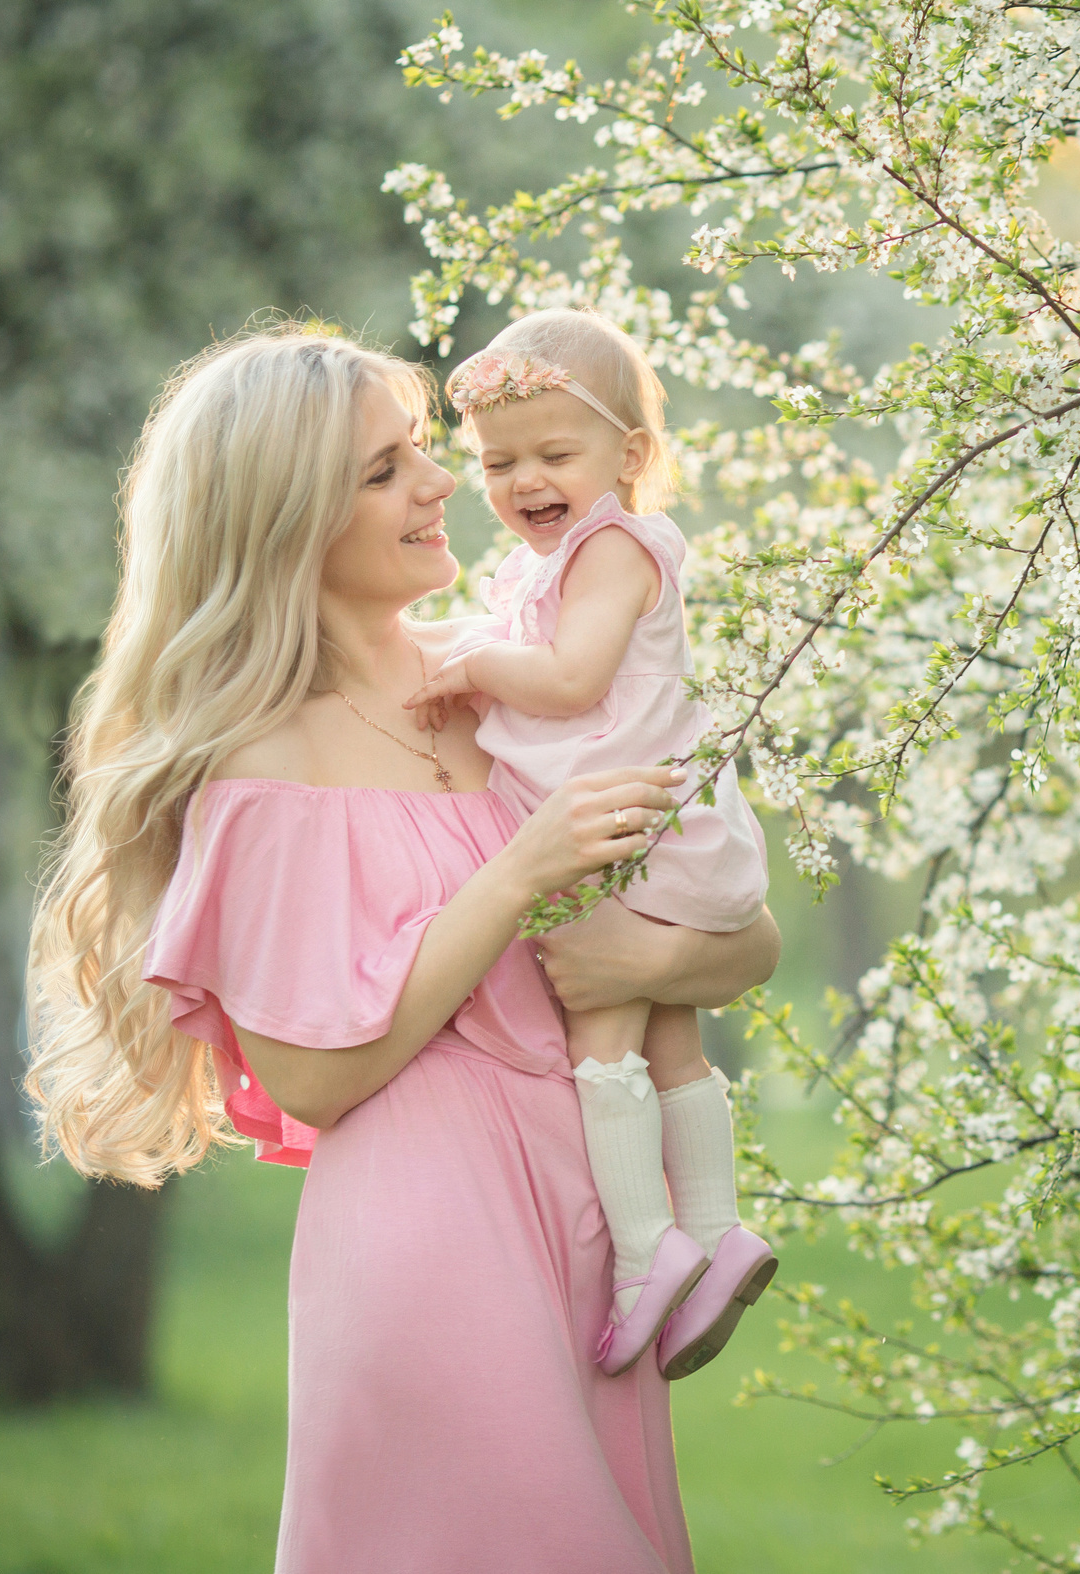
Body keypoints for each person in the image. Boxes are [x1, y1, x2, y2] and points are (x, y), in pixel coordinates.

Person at [25, 321, 778, 1574]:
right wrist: (518, 876)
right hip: (434, 1225)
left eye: (425, 453)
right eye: (386, 471)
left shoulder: (507, 689)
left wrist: (640, 970)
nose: (443, 487)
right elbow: (316, 1076)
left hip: (591, 1213)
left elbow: (735, 936)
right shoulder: (268, 764)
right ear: (285, 523)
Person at [404, 308, 774, 1381]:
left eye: (555, 453)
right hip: (644, 826)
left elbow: (568, 682)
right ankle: (713, 1233)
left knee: (601, 1045)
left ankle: (638, 1253)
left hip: (626, 833)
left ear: (631, 455)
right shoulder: (553, 561)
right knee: (671, 1046)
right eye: (496, 461)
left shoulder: (613, 548)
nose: (524, 479)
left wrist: (471, 664)